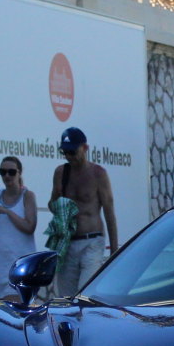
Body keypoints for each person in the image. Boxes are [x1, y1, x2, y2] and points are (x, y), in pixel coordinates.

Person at [48, 126, 118, 296]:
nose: (69, 157)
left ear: (85, 148)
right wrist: (60, 204)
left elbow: (109, 211)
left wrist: (115, 250)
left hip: (92, 241)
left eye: (73, 152)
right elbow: (52, 204)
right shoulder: (60, 173)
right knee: (66, 297)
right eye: (65, 152)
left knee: (86, 294)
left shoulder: (98, 174)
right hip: (68, 243)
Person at [0, 155, 37, 301]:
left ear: (19, 173)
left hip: (20, 266)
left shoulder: (27, 196)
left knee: (16, 313)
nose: (7, 176)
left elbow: (29, 226)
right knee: (2, 315)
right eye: (3, 172)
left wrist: (7, 211)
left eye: (11, 172)